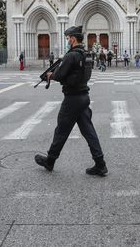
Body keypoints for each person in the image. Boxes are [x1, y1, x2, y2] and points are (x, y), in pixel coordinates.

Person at [34, 26, 107, 177]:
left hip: (72, 98)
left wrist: (50, 75)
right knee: (89, 131)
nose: (67, 41)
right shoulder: (86, 54)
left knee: (61, 130)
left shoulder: (71, 55)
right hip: (83, 96)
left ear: (73, 38)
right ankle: (100, 164)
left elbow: (60, 74)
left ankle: (50, 161)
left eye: (68, 38)